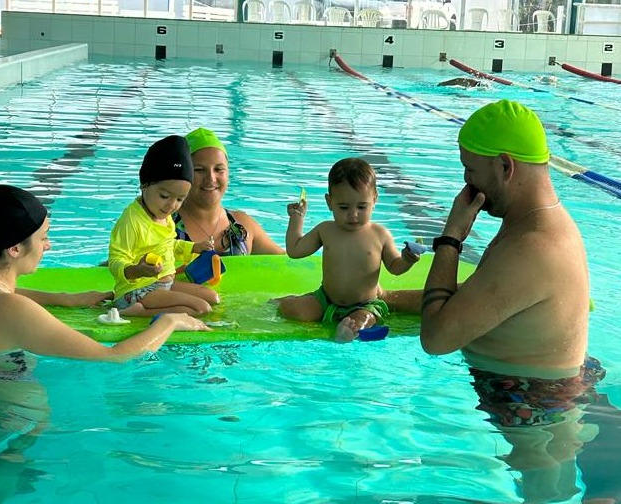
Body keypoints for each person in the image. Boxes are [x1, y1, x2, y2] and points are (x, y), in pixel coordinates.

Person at [383, 100, 605, 502]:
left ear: (506, 166)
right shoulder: (539, 223)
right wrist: (384, 299)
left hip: (531, 404)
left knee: (545, 492)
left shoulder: (533, 246)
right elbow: (475, 300)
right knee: (553, 488)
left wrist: (450, 238)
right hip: (546, 391)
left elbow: (437, 338)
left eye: (470, 169)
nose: (466, 183)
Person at [0, 184, 209, 364]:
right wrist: (170, 322)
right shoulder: (15, 309)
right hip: (12, 417)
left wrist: (64, 298)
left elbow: (1, 299)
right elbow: (115, 357)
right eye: (43, 238)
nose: (48, 246)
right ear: (14, 248)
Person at [275, 158, 420, 342]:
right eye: (343, 207)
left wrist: (407, 260)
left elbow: (395, 267)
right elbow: (295, 250)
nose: (353, 215)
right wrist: (297, 218)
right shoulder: (326, 230)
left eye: (361, 206)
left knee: (361, 322)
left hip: (365, 304)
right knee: (291, 309)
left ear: (374, 199)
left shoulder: (380, 234)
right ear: (329, 202)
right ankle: (291, 301)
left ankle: (346, 332)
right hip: (326, 300)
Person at [108, 135, 220, 316]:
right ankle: (133, 311)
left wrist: (194, 247)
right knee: (201, 308)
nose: (171, 205)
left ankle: (145, 308)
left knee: (213, 298)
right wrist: (136, 270)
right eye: (164, 196)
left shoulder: (164, 216)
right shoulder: (132, 221)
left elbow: (169, 245)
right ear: (144, 185)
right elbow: (115, 260)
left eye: (180, 199)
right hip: (138, 290)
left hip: (164, 284)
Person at [172, 127, 285, 256]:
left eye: (219, 169)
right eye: (199, 170)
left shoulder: (242, 225)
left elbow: (288, 264)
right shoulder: (162, 224)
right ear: (182, 174)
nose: (211, 179)